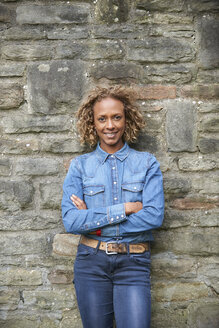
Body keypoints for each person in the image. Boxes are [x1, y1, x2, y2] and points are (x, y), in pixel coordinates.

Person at [61, 85, 164, 328]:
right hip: (91, 263)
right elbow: (71, 221)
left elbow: (154, 217)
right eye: (102, 118)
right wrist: (125, 208)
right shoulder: (79, 167)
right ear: (92, 122)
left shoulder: (147, 163)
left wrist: (93, 223)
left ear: (126, 119)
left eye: (117, 117)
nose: (110, 125)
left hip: (134, 262)